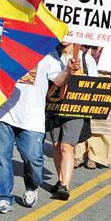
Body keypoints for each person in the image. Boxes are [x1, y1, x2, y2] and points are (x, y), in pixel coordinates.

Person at [0, 53, 71, 213]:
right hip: (2, 111)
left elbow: (58, 80)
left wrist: (68, 70)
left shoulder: (48, 48)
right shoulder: (3, 41)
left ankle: (32, 186)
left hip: (32, 116)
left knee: (33, 158)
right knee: (1, 157)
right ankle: (3, 197)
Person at [44, 44, 86, 201]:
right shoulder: (51, 55)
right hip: (54, 106)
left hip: (76, 107)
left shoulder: (85, 57)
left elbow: (95, 82)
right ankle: (60, 179)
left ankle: (65, 186)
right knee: (56, 146)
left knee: (66, 146)